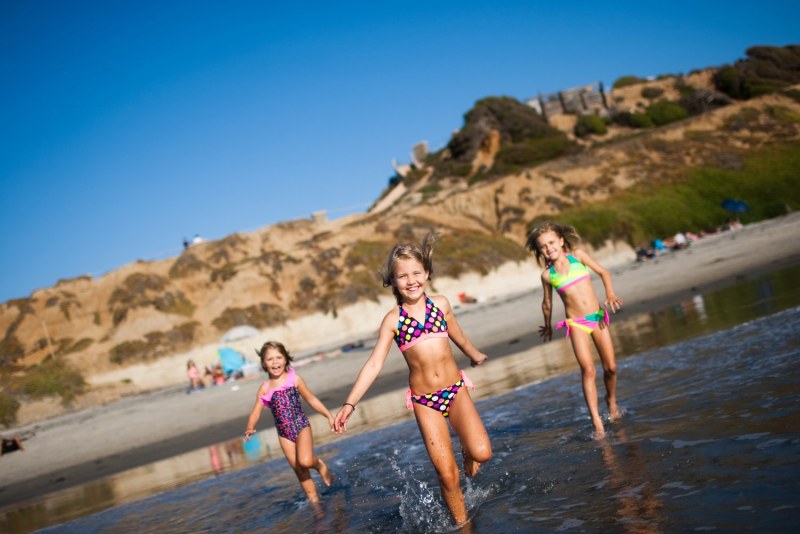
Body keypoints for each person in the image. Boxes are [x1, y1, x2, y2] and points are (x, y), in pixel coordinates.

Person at [333, 233, 492, 526]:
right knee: (447, 474)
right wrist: (349, 404)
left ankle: (468, 453)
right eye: (402, 275)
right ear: (393, 281)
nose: (411, 280)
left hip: (455, 389)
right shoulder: (393, 320)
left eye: (416, 273)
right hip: (425, 401)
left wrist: (474, 354)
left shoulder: (441, 304)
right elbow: (373, 364)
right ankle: (463, 525)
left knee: (483, 451)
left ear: (427, 273)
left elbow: (458, 335)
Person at [526, 222, 623, 438]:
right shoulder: (547, 275)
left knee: (612, 368)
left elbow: (603, 272)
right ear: (540, 251)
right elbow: (547, 303)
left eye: (551, 242)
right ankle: (597, 421)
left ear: (561, 241)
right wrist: (547, 324)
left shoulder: (578, 256)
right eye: (543, 246)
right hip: (576, 323)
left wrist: (610, 294)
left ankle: (611, 400)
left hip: (597, 318)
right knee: (588, 370)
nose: (548, 248)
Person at [244, 341, 334, 504]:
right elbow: (256, 411)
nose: (275, 362)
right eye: (270, 359)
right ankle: (315, 503)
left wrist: (328, 415)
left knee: (305, 461)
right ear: (264, 364)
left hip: (301, 426)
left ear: (286, 359)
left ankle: (319, 464)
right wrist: (250, 427)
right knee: (299, 471)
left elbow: (311, 399)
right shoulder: (265, 388)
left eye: (279, 357)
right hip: (284, 434)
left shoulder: (295, 379)